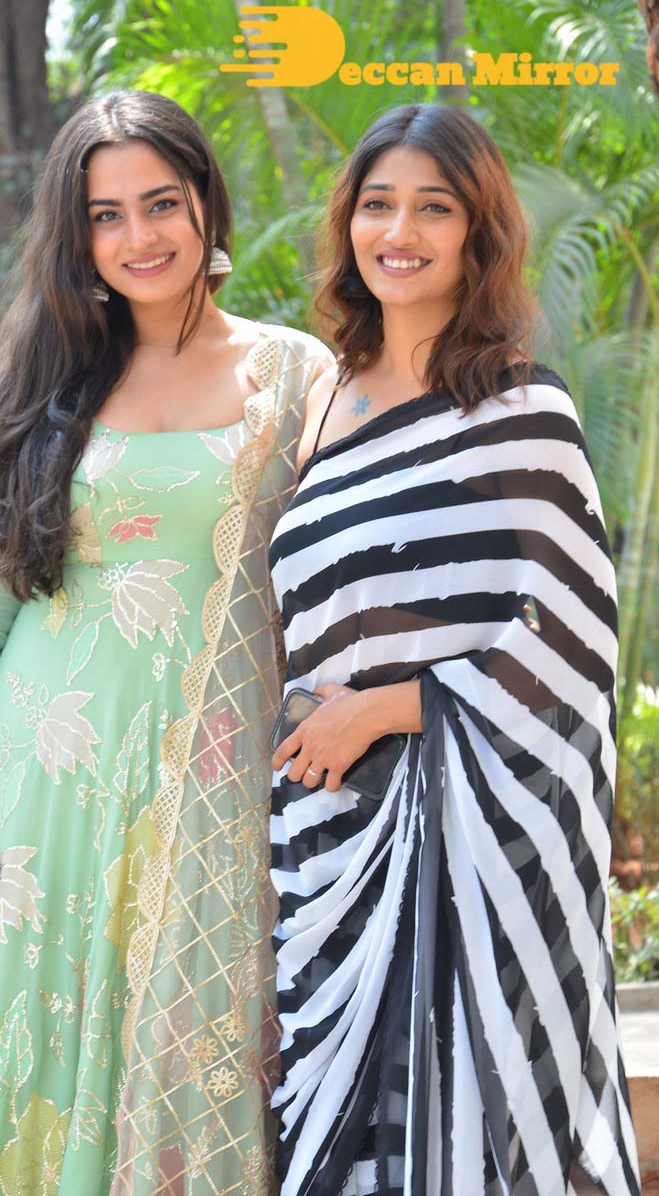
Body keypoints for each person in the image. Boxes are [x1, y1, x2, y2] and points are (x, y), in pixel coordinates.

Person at [0, 89, 332, 1196]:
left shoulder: (296, 375)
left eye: (160, 203)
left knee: (187, 1058)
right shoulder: (40, 384)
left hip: (216, 787)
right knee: (28, 1058)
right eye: (106, 215)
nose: (139, 237)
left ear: (205, 202)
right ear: (76, 234)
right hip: (39, 791)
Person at [268, 104, 641, 1196]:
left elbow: (573, 640)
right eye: (378, 204)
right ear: (348, 222)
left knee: (480, 1116)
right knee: (341, 1137)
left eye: (434, 208)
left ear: (479, 232)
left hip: (485, 843)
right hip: (326, 830)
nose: (400, 232)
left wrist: (390, 706)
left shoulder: (520, 408)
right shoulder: (320, 403)